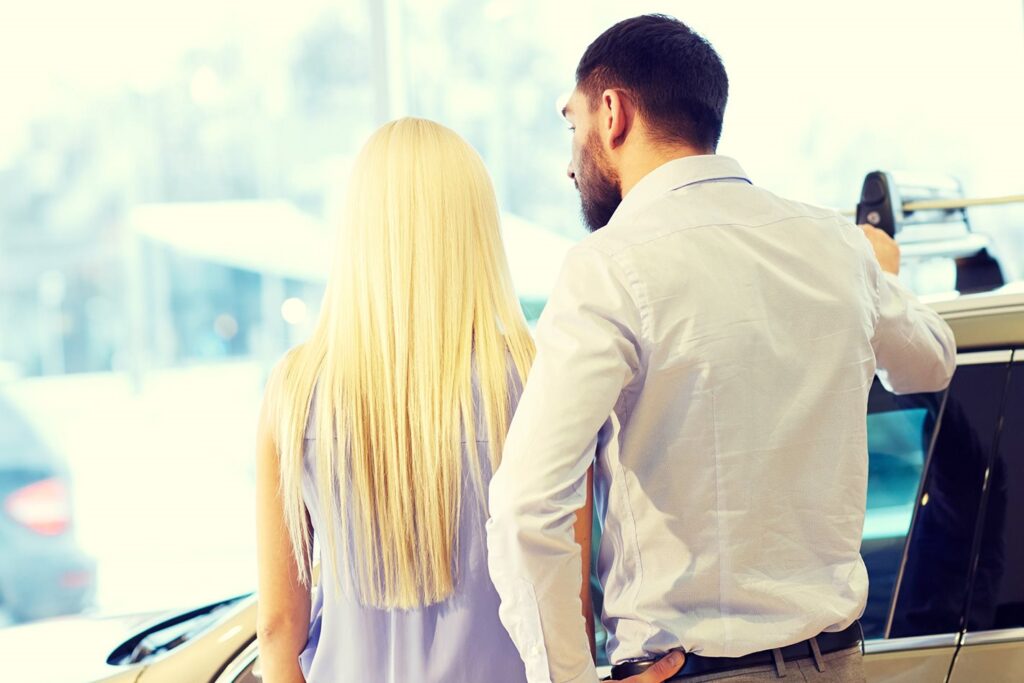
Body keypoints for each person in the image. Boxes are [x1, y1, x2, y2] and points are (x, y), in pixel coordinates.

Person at [486, 14, 956, 683]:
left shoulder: (608, 268)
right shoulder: (835, 246)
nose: (569, 162)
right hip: (836, 663)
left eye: (573, 123)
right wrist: (876, 270)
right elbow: (932, 362)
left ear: (612, 112)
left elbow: (526, 506)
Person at [254, 118, 544, 683]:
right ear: (476, 228)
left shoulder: (295, 390)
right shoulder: (534, 377)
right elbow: (564, 610)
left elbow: (277, 629)